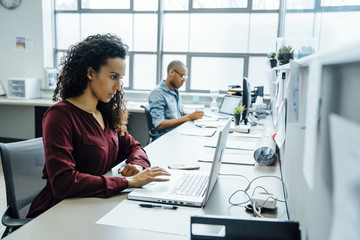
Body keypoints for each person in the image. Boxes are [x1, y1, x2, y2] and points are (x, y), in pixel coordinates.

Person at [27, 34, 170, 218]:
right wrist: (127, 182)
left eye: (120, 78)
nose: (118, 86)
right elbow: (63, 182)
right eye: (113, 77)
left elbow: (134, 147)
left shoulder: (106, 114)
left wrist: (137, 166)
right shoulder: (59, 116)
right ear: (90, 73)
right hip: (59, 211)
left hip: (95, 204)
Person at [148, 60, 204, 138]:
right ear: (171, 72)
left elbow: (178, 114)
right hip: (166, 138)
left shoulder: (175, 91)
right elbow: (159, 124)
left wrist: (192, 115)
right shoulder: (157, 93)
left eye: (185, 77)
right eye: (182, 76)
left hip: (178, 133)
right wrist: (188, 117)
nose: (184, 80)